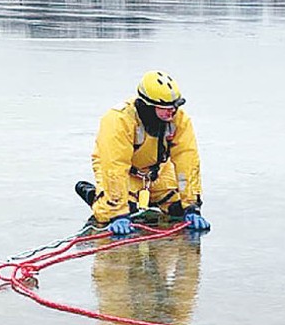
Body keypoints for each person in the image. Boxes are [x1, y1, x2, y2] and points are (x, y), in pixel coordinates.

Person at [75, 70, 210, 234]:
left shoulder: (179, 120)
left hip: (157, 172)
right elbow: (115, 165)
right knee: (112, 213)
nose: (172, 112)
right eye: (166, 108)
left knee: (178, 209)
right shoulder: (119, 120)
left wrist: (192, 206)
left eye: (175, 106)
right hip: (124, 174)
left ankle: (148, 198)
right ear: (148, 105)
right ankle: (95, 196)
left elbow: (187, 161)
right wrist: (118, 213)